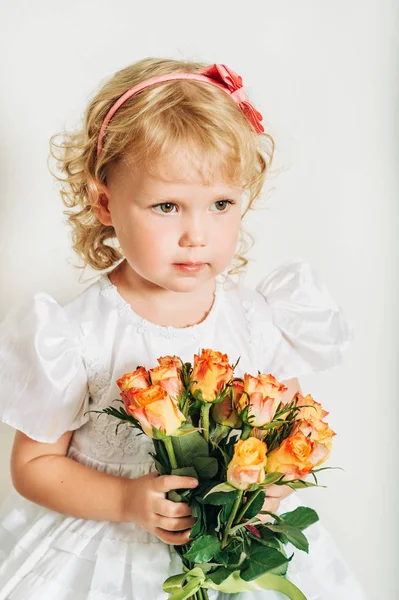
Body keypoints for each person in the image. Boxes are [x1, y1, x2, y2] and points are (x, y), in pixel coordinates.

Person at [0, 58, 365, 600]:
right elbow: (34, 465)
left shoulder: (257, 317)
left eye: (221, 204)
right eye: (167, 205)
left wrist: (265, 488)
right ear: (105, 202)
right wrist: (126, 501)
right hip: (111, 549)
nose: (197, 234)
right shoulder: (76, 333)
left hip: (231, 547)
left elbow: (291, 433)